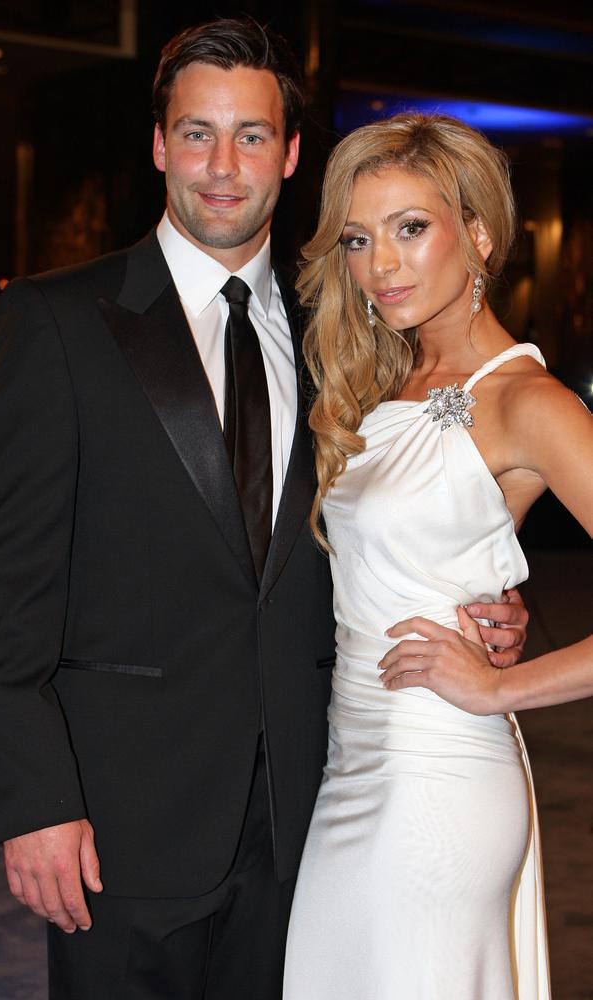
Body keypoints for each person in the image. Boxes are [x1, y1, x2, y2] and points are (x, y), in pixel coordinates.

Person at [0, 20, 528, 998]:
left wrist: (484, 604)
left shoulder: (346, 339)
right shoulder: (57, 321)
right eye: (196, 133)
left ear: (291, 152)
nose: (223, 166)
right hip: (119, 823)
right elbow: (1, 587)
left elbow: (389, 524)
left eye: (252, 135)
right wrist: (32, 800)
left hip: (311, 818)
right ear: (157, 144)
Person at [282, 113, 587, 998]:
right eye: (359, 237)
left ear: (479, 235)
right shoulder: (385, 383)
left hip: (438, 786)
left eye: (411, 228)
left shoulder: (526, 400)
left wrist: (500, 686)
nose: (381, 264)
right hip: (351, 769)